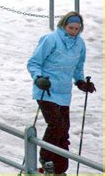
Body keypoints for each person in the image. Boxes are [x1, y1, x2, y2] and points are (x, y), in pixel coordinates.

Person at [27, 11, 96, 174]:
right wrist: (38, 78)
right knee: (56, 124)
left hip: (64, 92)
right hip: (46, 89)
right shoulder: (51, 39)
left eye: (77, 29)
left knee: (64, 129)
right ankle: (46, 158)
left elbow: (78, 66)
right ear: (63, 25)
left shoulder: (80, 44)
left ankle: (60, 167)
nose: (74, 31)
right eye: (71, 28)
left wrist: (80, 82)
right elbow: (34, 62)